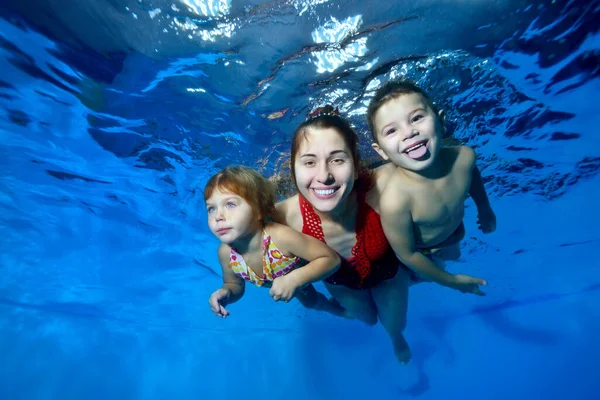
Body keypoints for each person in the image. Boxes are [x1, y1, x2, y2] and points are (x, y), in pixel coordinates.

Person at [275, 106, 413, 364]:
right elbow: (235, 236)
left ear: (356, 163)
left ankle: (396, 339)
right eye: (309, 162)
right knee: (368, 320)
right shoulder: (283, 217)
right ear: (292, 168)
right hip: (342, 284)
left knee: (395, 325)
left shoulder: (381, 187)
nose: (324, 176)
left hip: (389, 276)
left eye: (338, 160)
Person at [366, 79, 497, 295]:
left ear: (441, 121)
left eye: (417, 118)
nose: (408, 133)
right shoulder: (396, 201)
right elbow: (406, 254)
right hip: (420, 251)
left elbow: (472, 174)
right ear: (381, 152)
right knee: (416, 279)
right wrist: (451, 281)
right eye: (391, 131)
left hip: (454, 231)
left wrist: (485, 208)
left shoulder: (464, 157)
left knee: (453, 255)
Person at [205, 165, 348, 318]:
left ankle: (344, 308)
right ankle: (335, 310)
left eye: (230, 204)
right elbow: (235, 284)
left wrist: (294, 279)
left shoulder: (280, 237)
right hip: (288, 281)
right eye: (211, 208)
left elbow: (331, 259)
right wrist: (226, 293)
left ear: (258, 210)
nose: (218, 216)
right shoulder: (226, 253)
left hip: (306, 270)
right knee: (310, 302)